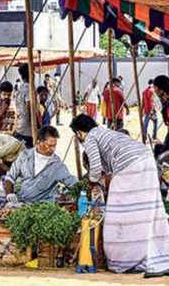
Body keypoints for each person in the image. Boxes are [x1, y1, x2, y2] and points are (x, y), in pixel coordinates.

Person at [70, 114, 169, 278]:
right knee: (146, 214)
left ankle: (124, 261)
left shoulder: (90, 137)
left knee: (118, 216)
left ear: (79, 132)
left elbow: (94, 168)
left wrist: (92, 182)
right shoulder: (105, 132)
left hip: (129, 167)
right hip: (147, 161)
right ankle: (158, 256)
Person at [0, 126, 77, 210]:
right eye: (49, 145)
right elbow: (10, 177)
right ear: (38, 142)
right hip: (22, 203)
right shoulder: (25, 156)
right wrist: (10, 193)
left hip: (44, 208)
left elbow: (73, 183)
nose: (52, 149)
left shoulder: (57, 165)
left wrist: (79, 192)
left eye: (54, 146)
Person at [14, 64, 38, 148]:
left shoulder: (20, 88)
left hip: (20, 126)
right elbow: (29, 107)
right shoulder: (29, 88)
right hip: (28, 129)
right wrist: (36, 125)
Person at [153, 75, 169, 154]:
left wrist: (164, 147)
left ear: (161, 89)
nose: (154, 90)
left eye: (155, 87)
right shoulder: (165, 102)